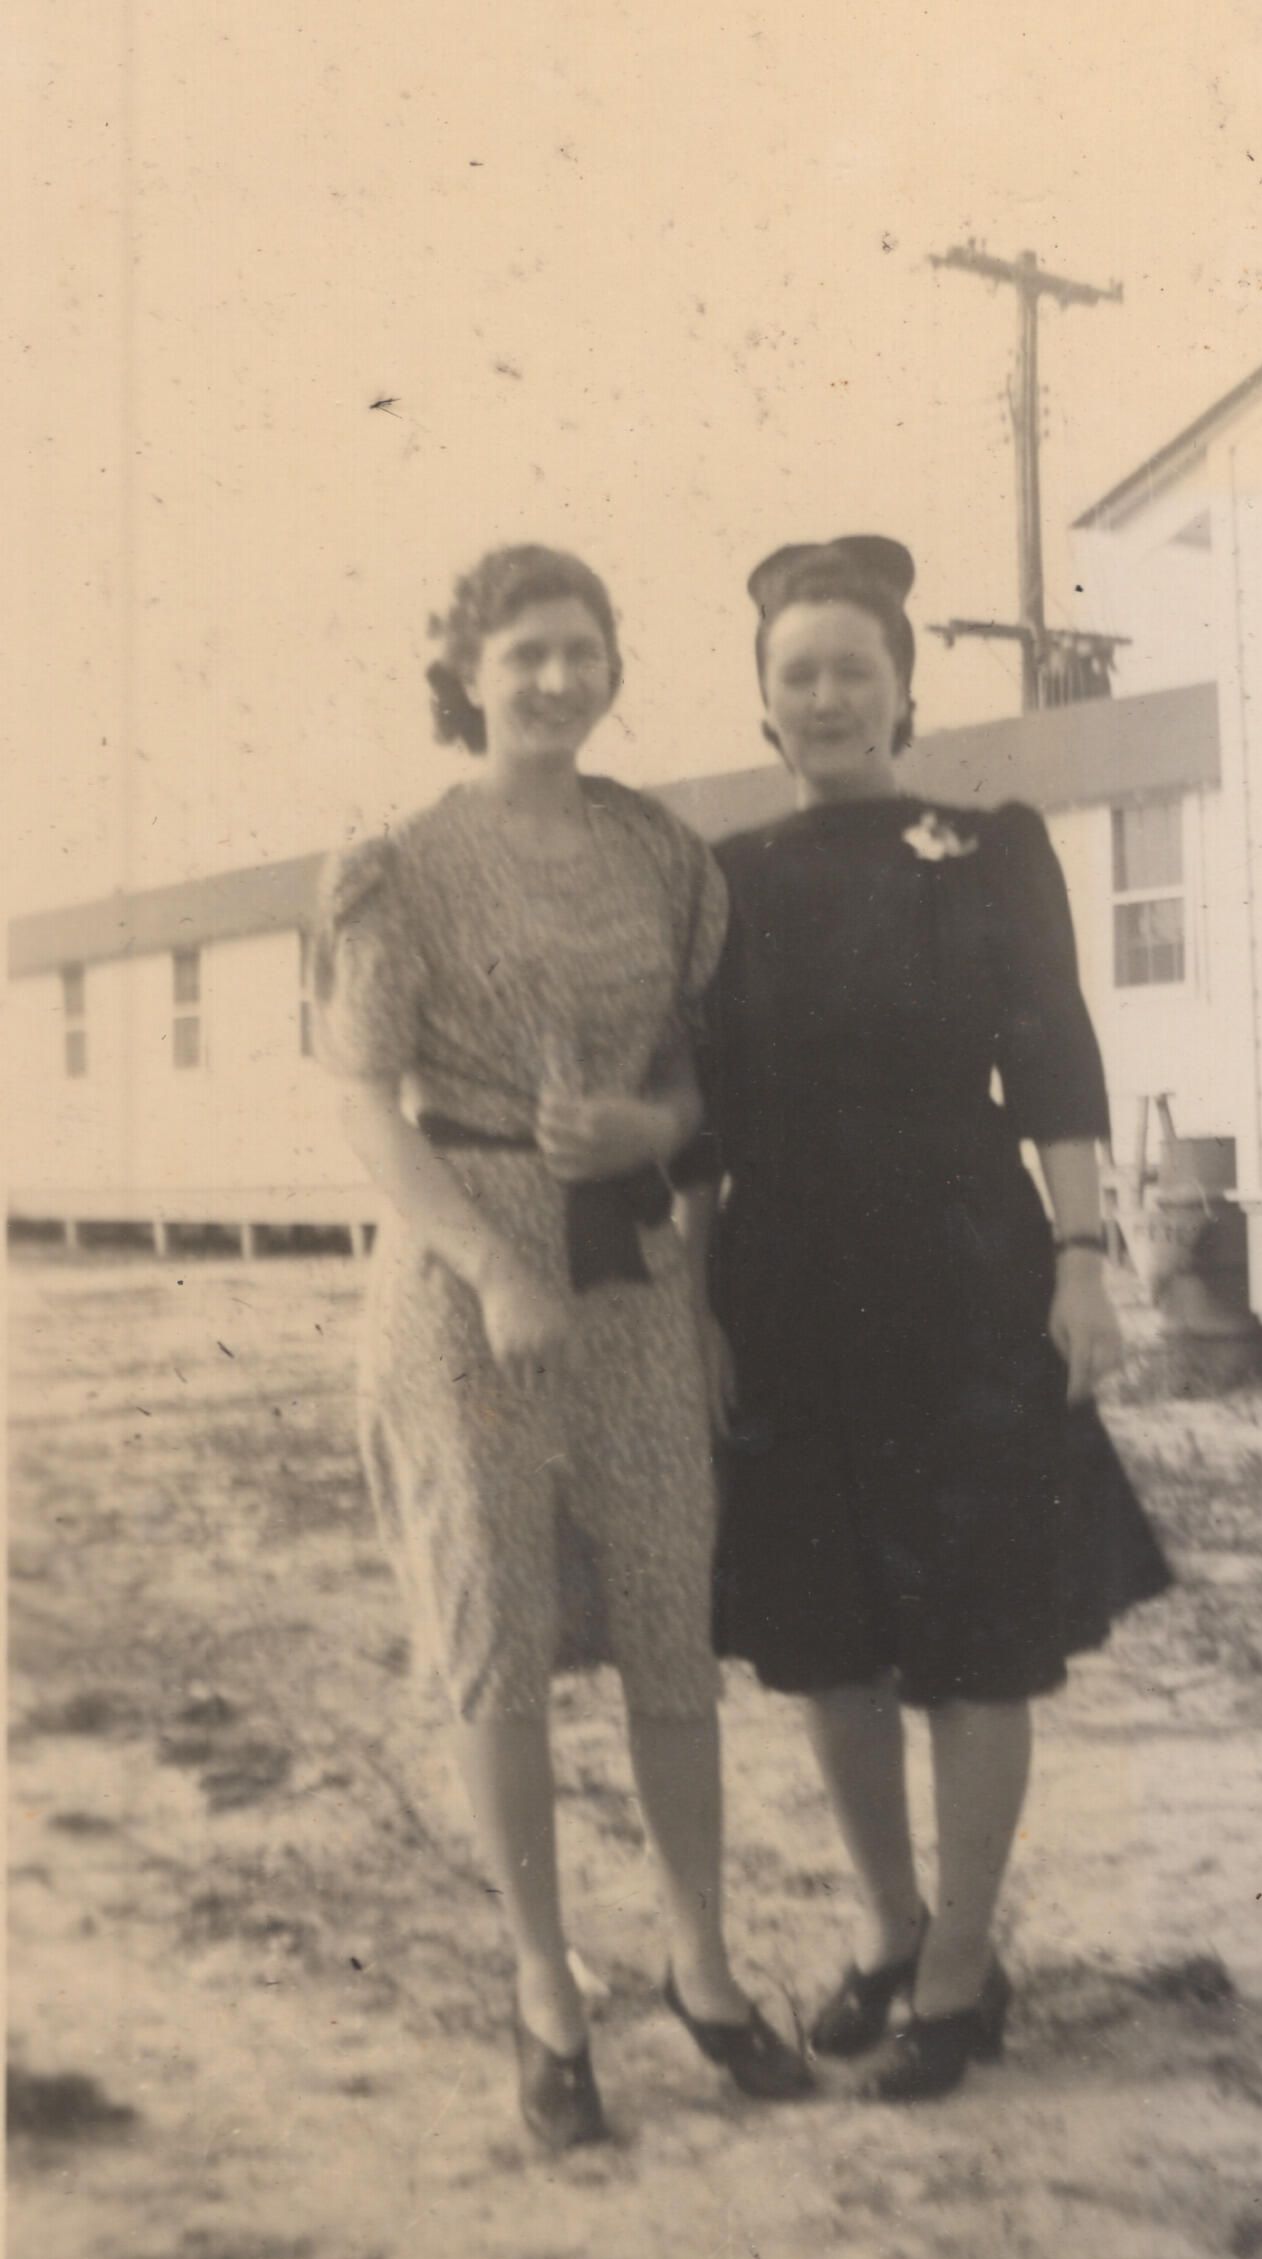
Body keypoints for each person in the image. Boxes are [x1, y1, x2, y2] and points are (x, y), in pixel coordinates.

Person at [312, 544, 812, 2156]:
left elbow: (695, 1074)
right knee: (498, 1628)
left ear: (612, 670)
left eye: (580, 650)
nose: (553, 678)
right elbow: (363, 1106)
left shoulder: (659, 852)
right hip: (469, 1286)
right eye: (523, 651)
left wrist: (648, 1130)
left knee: (669, 1616)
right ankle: (545, 1990)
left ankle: (703, 1966)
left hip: (634, 1271)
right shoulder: (399, 867)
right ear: (465, 674)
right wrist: (487, 1265)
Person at [682, 535, 1171, 2103]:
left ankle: (962, 1967)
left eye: (855, 670)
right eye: (799, 675)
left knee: (974, 1638)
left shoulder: (988, 848)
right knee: (827, 1643)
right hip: (785, 1288)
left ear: (903, 691)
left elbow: (1057, 1061)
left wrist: (1082, 1257)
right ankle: (890, 1925)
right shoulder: (725, 879)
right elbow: (704, 1120)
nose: (828, 697)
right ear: (766, 704)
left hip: (966, 1276)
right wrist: (698, 1301)